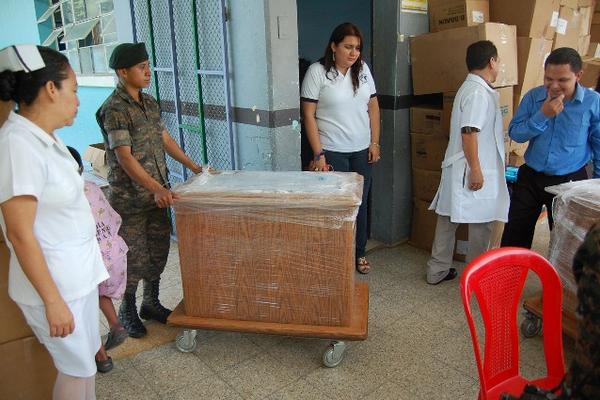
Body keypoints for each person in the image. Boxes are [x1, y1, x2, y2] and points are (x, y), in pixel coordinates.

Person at [0, 45, 108, 399]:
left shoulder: (48, 139)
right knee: (76, 373)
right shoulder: (17, 144)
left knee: (85, 370)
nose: (77, 100)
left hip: (77, 280)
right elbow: (19, 232)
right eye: (74, 90)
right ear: (51, 89)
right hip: (56, 288)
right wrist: (52, 301)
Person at [96, 42, 203, 338]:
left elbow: (165, 138)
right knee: (131, 257)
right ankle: (127, 311)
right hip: (131, 200)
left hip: (157, 195)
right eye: (141, 67)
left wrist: (194, 167)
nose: (148, 71)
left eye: (148, 65)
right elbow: (124, 157)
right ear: (122, 72)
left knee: (157, 250)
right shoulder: (114, 109)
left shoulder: (150, 102)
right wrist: (157, 188)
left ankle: (151, 303)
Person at [426, 40, 509, 285]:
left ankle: (437, 270)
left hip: (462, 165)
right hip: (469, 167)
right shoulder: (477, 93)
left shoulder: (474, 88)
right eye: (498, 61)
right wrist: (476, 170)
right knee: (480, 223)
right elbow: (469, 132)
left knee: (448, 218)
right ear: (491, 61)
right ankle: (477, 276)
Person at [300, 22, 381, 274]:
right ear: (334, 46)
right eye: (348, 46)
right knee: (334, 206)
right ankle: (334, 253)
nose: (353, 52)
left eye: (357, 48)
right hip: (332, 150)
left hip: (361, 150)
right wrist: (319, 153)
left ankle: (359, 252)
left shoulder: (363, 70)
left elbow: (374, 107)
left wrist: (375, 142)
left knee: (360, 203)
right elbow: (308, 115)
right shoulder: (317, 71)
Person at [501, 48, 600, 249]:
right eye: (548, 79)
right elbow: (516, 133)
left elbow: (598, 142)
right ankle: (508, 279)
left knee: (567, 241)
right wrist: (542, 115)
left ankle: (560, 281)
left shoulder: (593, 102)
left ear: (578, 76)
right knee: (515, 234)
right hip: (531, 177)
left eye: (562, 80)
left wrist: (597, 183)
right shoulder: (533, 97)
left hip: (570, 180)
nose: (554, 86)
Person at [67, 146, 129, 373]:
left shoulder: (61, 199)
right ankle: (116, 324)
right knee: (100, 292)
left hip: (89, 259)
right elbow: (113, 218)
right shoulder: (92, 187)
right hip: (114, 253)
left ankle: (101, 357)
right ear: (81, 168)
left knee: (84, 308)